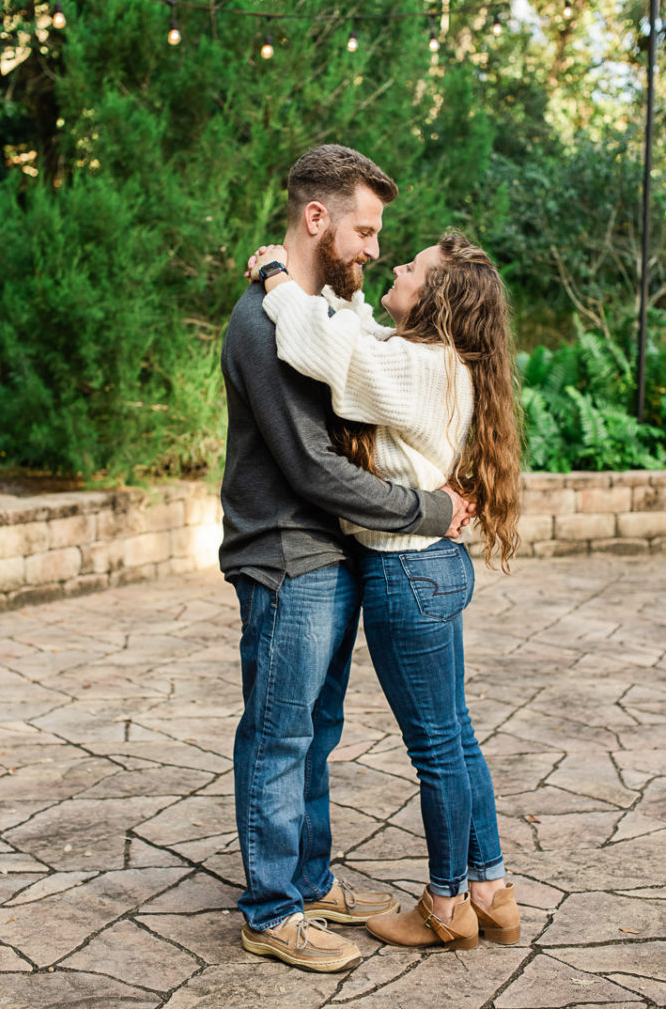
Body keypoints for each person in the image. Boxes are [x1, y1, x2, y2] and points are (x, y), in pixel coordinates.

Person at [219, 145, 474, 973]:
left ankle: (311, 879)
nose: (370, 248)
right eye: (363, 230)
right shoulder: (264, 324)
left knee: (313, 731)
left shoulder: (310, 312)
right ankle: (272, 908)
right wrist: (428, 509)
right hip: (286, 556)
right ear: (316, 218)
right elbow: (312, 468)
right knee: (278, 735)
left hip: (325, 556)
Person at [248, 231, 522, 951]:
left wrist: (277, 274)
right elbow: (359, 333)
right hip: (432, 566)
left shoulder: (415, 366)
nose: (397, 265)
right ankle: (489, 888)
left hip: (405, 570)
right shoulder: (432, 362)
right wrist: (341, 290)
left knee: (435, 748)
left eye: (414, 267)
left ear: (435, 297)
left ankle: (443, 904)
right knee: (455, 736)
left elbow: (322, 347)